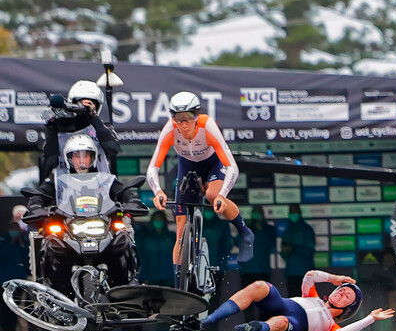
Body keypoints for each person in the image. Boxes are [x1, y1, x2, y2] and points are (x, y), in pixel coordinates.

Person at [147, 91, 254, 288]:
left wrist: (222, 194)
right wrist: (158, 192)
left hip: (213, 164)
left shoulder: (207, 126)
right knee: (180, 231)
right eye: (178, 119)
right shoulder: (170, 130)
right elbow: (153, 166)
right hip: (188, 165)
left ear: (197, 116)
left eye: (188, 118)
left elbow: (232, 166)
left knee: (212, 195)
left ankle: (245, 232)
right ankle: (179, 285)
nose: (183, 125)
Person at [27, 134, 138, 294]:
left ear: (93, 157)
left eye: (86, 155)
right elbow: (40, 194)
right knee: (50, 241)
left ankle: (129, 281)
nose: (81, 160)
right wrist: (37, 205)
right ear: (68, 158)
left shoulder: (106, 180)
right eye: (76, 156)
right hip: (68, 229)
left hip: (101, 226)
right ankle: (46, 288)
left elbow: (122, 192)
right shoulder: (57, 179)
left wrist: (131, 200)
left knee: (123, 236)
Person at [199, 270, 395, 331]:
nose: (342, 292)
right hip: (279, 304)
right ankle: (208, 320)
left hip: (287, 322)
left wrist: (370, 318)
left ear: (347, 308)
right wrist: (332, 277)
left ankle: (252, 328)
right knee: (260, 285)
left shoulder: (331, 327)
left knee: (282, 322)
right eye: (341, 289)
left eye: (347, 297)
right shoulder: (313, 296)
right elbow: (310, 276)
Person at [41, 80, 120, 179]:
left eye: (91, 104)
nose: (85, 108)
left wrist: (93, 117)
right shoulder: (59, 128)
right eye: (80, 103)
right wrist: (52, 130)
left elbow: (112, 149)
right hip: (65, 187)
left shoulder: (103, 129)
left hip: (100, 186)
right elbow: (50, 161)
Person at [280, 204, 315, 296]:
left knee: (307, 301)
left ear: (300, 213)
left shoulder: (307, 229)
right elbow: (283, 251)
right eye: (291, 212)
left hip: (305, 272)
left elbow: (309, 250)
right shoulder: (288, 230)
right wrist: (284, 252)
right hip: (291, 272)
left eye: (295, 212)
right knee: (293, 301)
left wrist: (293, 248)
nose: (293, 214)